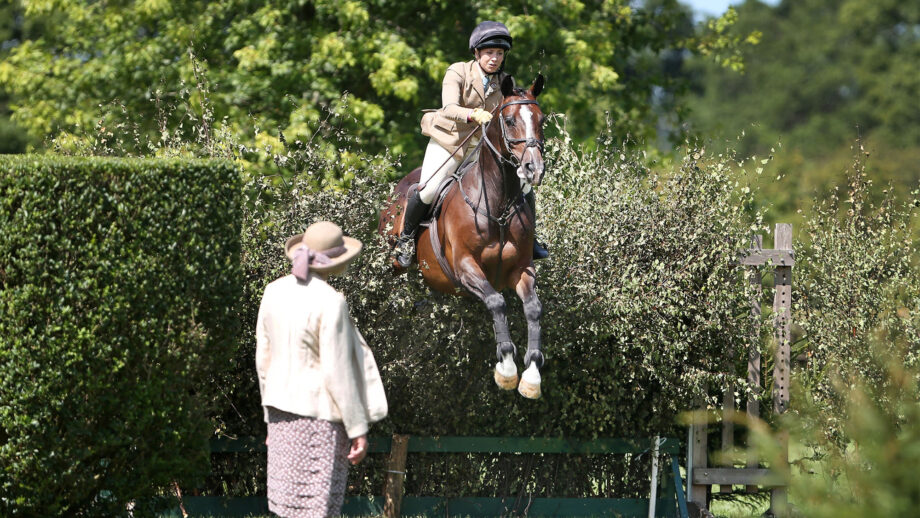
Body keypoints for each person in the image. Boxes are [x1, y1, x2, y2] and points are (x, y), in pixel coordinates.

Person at [256, 221, 388, 518]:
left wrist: (268, 419)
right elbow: (338, 372)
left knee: (286, 508)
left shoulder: (272, 291)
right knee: (317, 509)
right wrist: (358, 429)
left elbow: (263, 359)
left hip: (280, 416)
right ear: (335, 262)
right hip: (319, 422)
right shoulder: (331, 302)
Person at [393, 20, 549, 268]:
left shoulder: (505, 80)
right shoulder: (457, 71)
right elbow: (448, 108)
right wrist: (473, 114)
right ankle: (406, 239)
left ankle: (531, 240)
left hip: (480, 145)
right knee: (430, 189)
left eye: (499, 54)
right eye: (489, 53)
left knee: (524, 186)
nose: (494, 59)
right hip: (449, 139)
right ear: (477, 53)